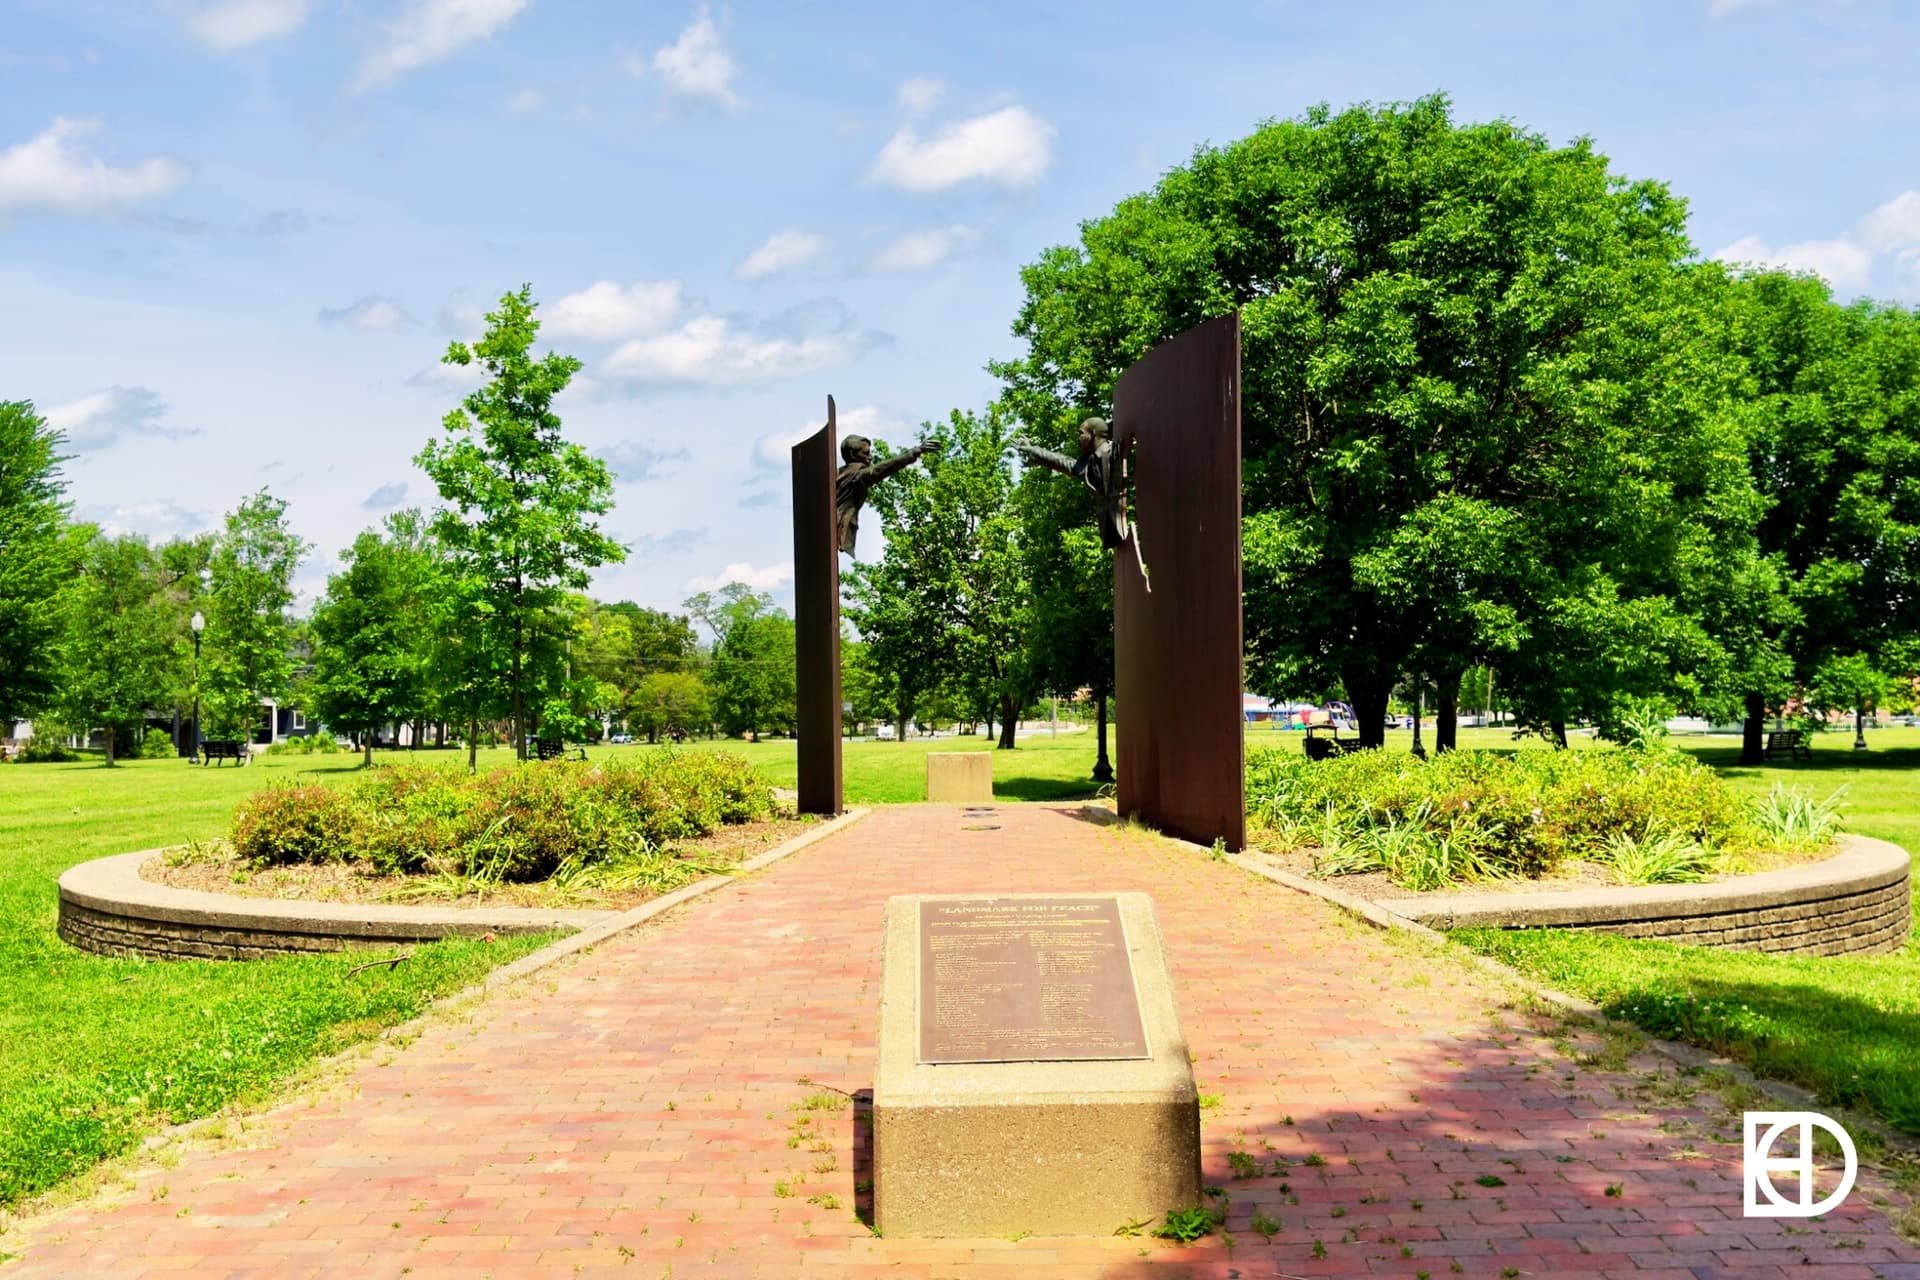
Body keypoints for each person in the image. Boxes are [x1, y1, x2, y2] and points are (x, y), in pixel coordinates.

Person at [834, 434, 940, 556]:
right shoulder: (858, 476)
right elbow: (885, 467)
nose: (870, 457)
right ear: (853, 455)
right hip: (835, 527)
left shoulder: (839, 474)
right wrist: (916, 451)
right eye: (866, 453)